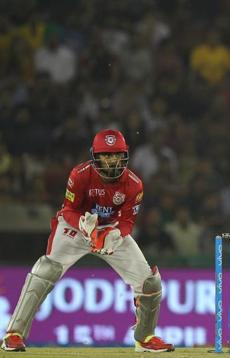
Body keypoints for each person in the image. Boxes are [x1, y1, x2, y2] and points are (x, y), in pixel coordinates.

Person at [1, 129, 174, 353]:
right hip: (76, 227)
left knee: (150, 283)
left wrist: (115, 234)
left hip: (109, 231)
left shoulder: (134, 184)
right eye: (106, 155)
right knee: (47, 269)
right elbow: (69, 210)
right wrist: (83, 224)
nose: (112, 161)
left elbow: (128, 221)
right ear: (96, 156)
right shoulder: (80, 174)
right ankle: (14, 334)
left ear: (125, 156)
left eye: (116, 155)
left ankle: (144, 338)